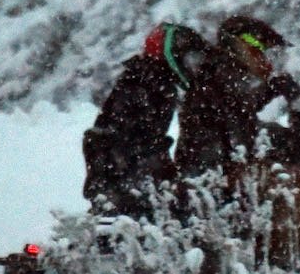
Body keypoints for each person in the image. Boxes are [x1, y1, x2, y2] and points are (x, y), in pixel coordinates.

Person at [82, 22, 211, 217]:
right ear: (172, 54)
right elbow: (135, 140)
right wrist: (167, 177)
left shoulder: (148, 79)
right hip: (126, 179)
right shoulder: (150, 83)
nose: (191, 68)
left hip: (122, 175)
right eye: (188, 59)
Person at [174, 15, 300, 176]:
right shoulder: (221, 74)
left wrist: (273, 89)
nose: (265, 60)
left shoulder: (220, 73)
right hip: (210, 178)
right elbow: (239, 127)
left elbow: (240, 110)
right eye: (260, 49)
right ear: (240, 45)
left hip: (209, 171)